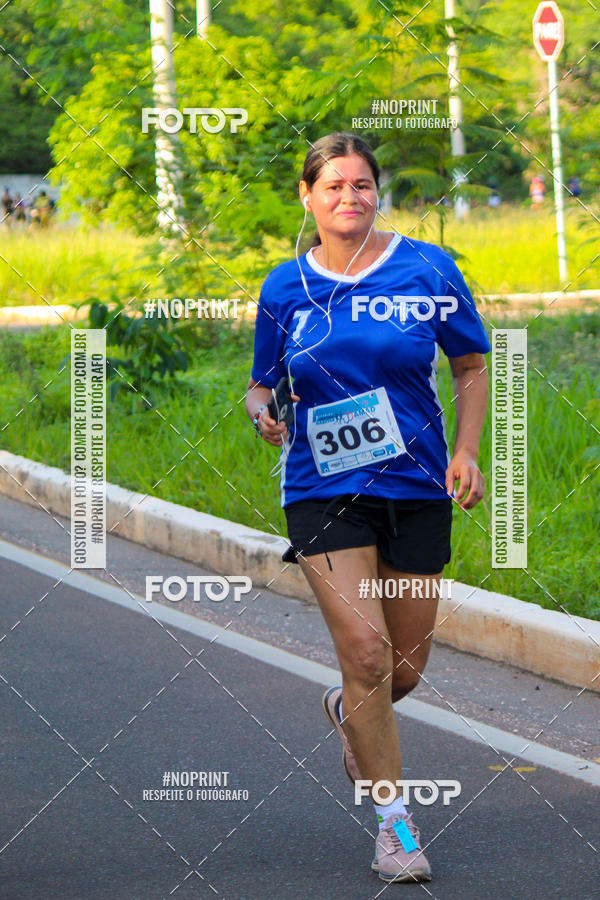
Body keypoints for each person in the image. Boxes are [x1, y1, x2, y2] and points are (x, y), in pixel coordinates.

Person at [245, 132, 490, 883]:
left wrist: (466, 450)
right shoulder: (284, 287)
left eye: (361, 185)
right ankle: (394, 828)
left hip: (416, 487)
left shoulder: (425, 267)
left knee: (404, 670)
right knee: (367, 655)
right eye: (333, 186)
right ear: (307, 197)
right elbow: (262, 381)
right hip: (323, 487)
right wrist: (262, 409)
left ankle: (350, 712)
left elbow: (472, 363)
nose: (348, 198)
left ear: (376, 192)